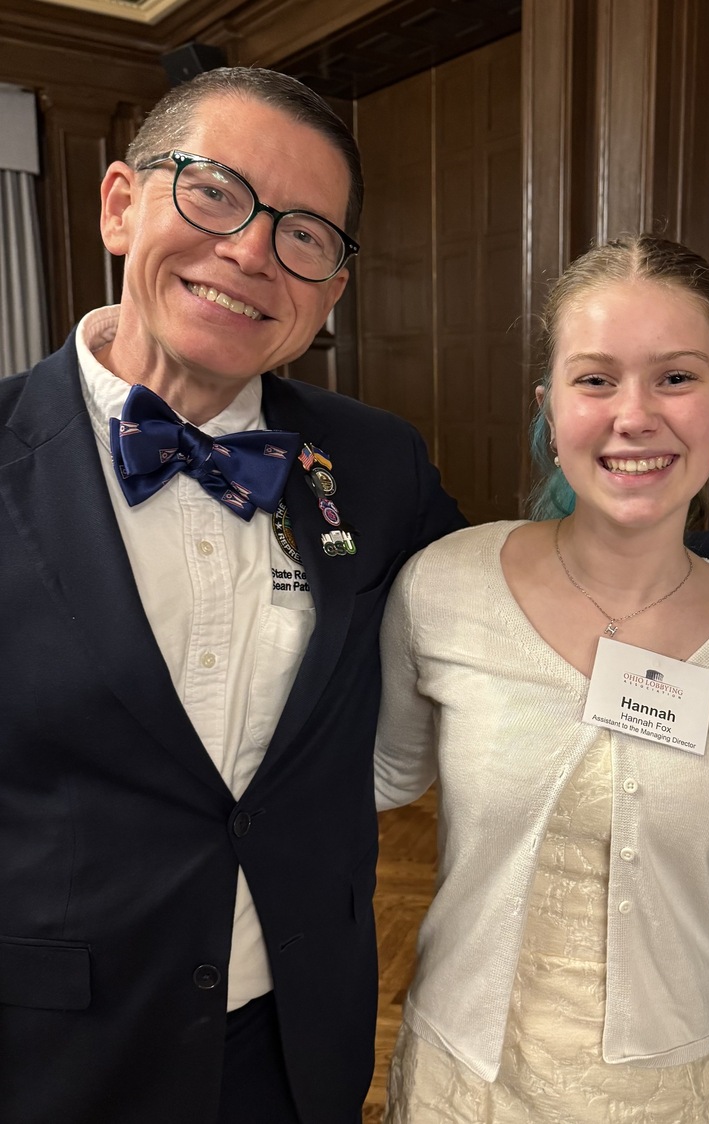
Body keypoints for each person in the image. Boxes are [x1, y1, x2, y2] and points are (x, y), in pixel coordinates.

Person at [0, 68, 466, 1123]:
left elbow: (513, 591)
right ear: (120, 203)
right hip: (50, 1051)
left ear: (331, 288)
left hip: (297, 1041)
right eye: (214, 191)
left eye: (304, 234)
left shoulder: (374, 459)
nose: (253, 249)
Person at [374, 235, 709, 1122]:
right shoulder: (444, 586)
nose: (634, 415)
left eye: (676, 379)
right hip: (467, 1082)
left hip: (672, 1087)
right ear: (549, 409)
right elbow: (377, 780)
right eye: (596, 379)